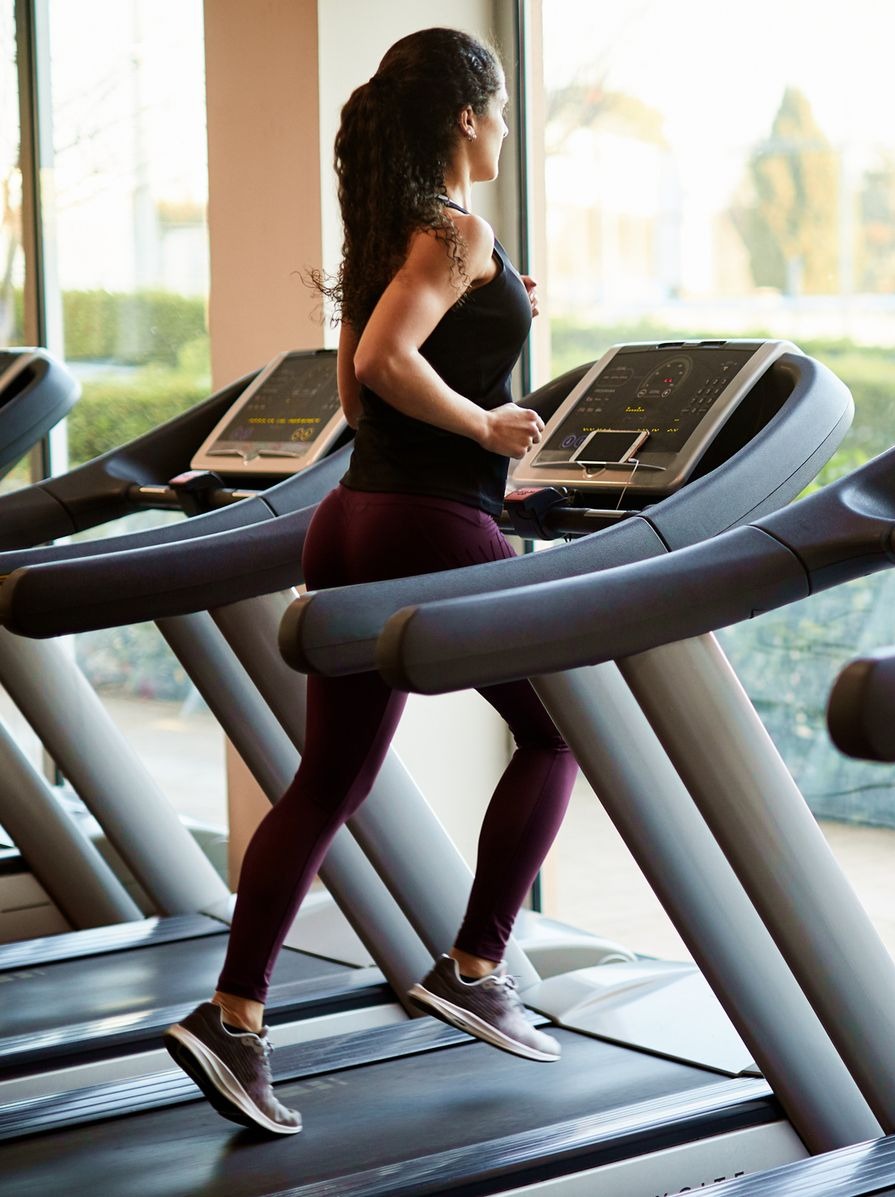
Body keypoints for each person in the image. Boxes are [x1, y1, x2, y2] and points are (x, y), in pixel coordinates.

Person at [163, 28, 578, 1137]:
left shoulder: (400, 234)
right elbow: (389, 370)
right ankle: (476, 962)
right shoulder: (452, 228)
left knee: (329, 780)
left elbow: (357, 394)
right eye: (497, 109)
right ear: (467, 116)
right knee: (560, 729)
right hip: (424, 525)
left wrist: (496, 321)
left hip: (349, 527)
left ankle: (234, 1018)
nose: (502, 128)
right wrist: (489, 422)